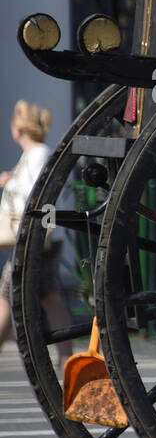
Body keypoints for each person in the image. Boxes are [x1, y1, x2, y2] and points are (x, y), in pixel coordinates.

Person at [0, 100, 73, 361]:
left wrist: (11, 184)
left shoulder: (39, 154)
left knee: (14, 294)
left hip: (39, 238)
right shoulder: (36, 154)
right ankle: (66, 357)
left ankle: (66, 357)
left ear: (19, 129)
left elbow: (36, 195)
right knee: (46, 296)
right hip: (39, 237)